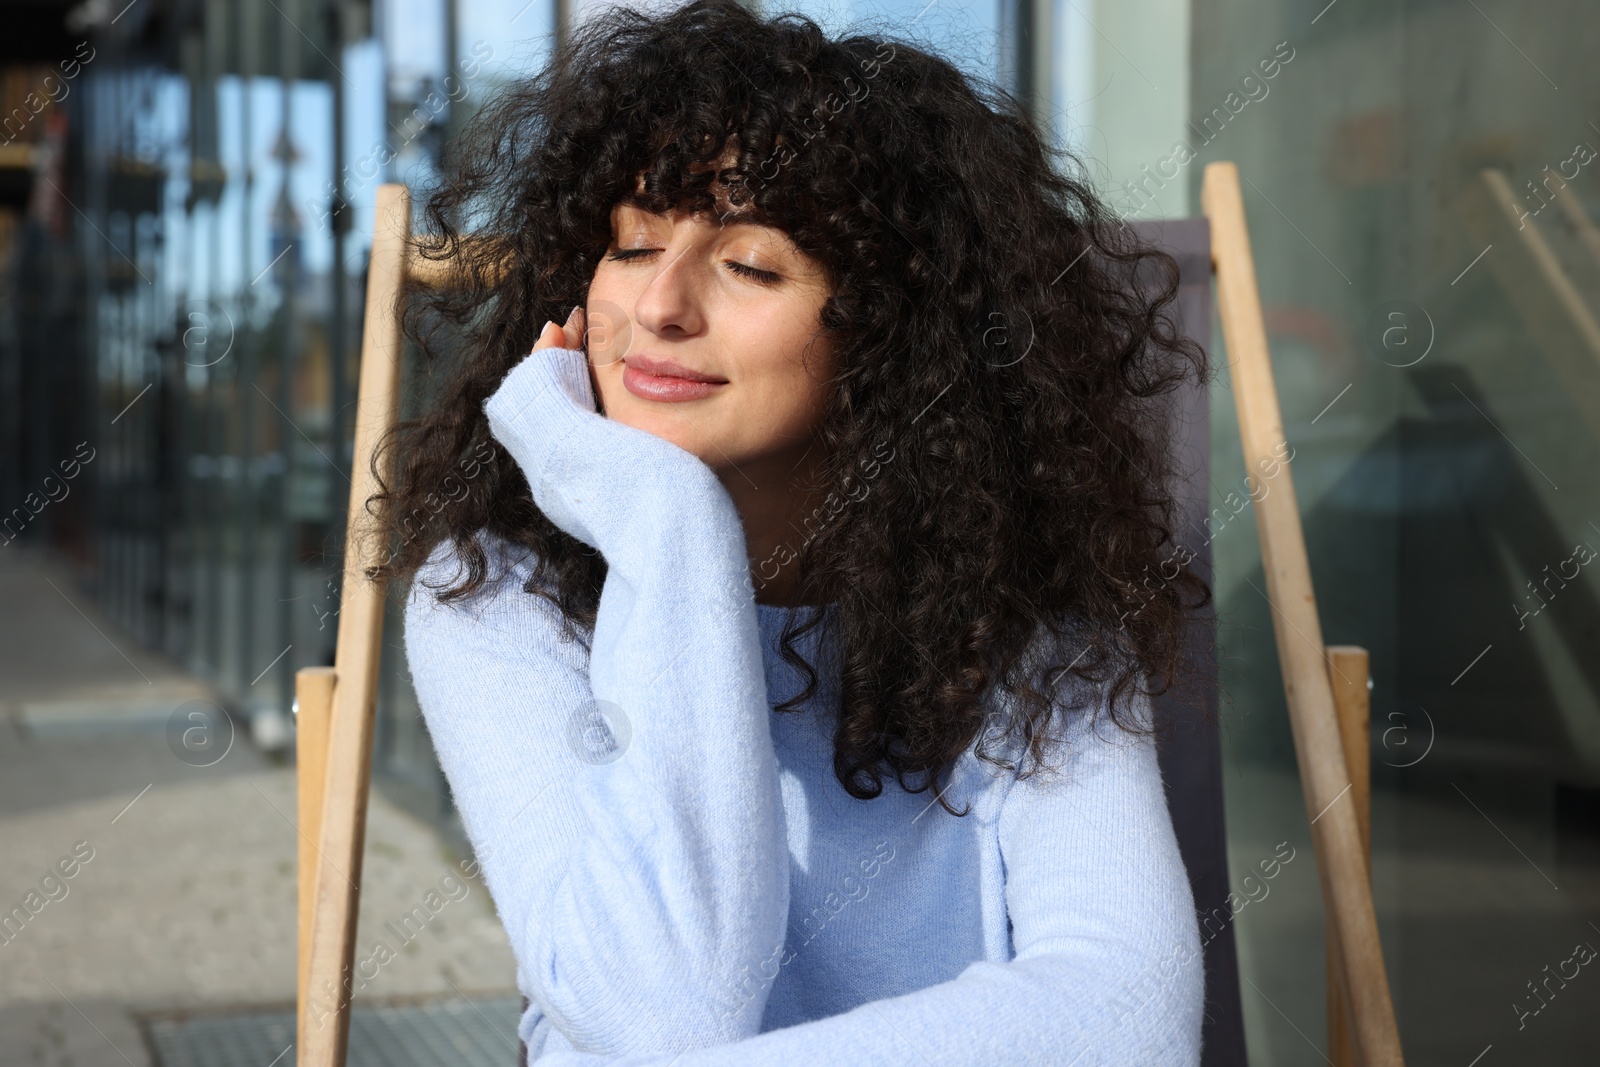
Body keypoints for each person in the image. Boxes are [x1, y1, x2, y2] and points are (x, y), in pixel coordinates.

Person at [372, 1, 1213, 1062]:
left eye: (752, 265)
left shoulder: (1025, 615)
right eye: (631, 245)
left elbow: (1126, 1019)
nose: (661, 306)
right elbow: (659, 1010)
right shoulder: (498, 594)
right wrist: (668, 526)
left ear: (894, 335)